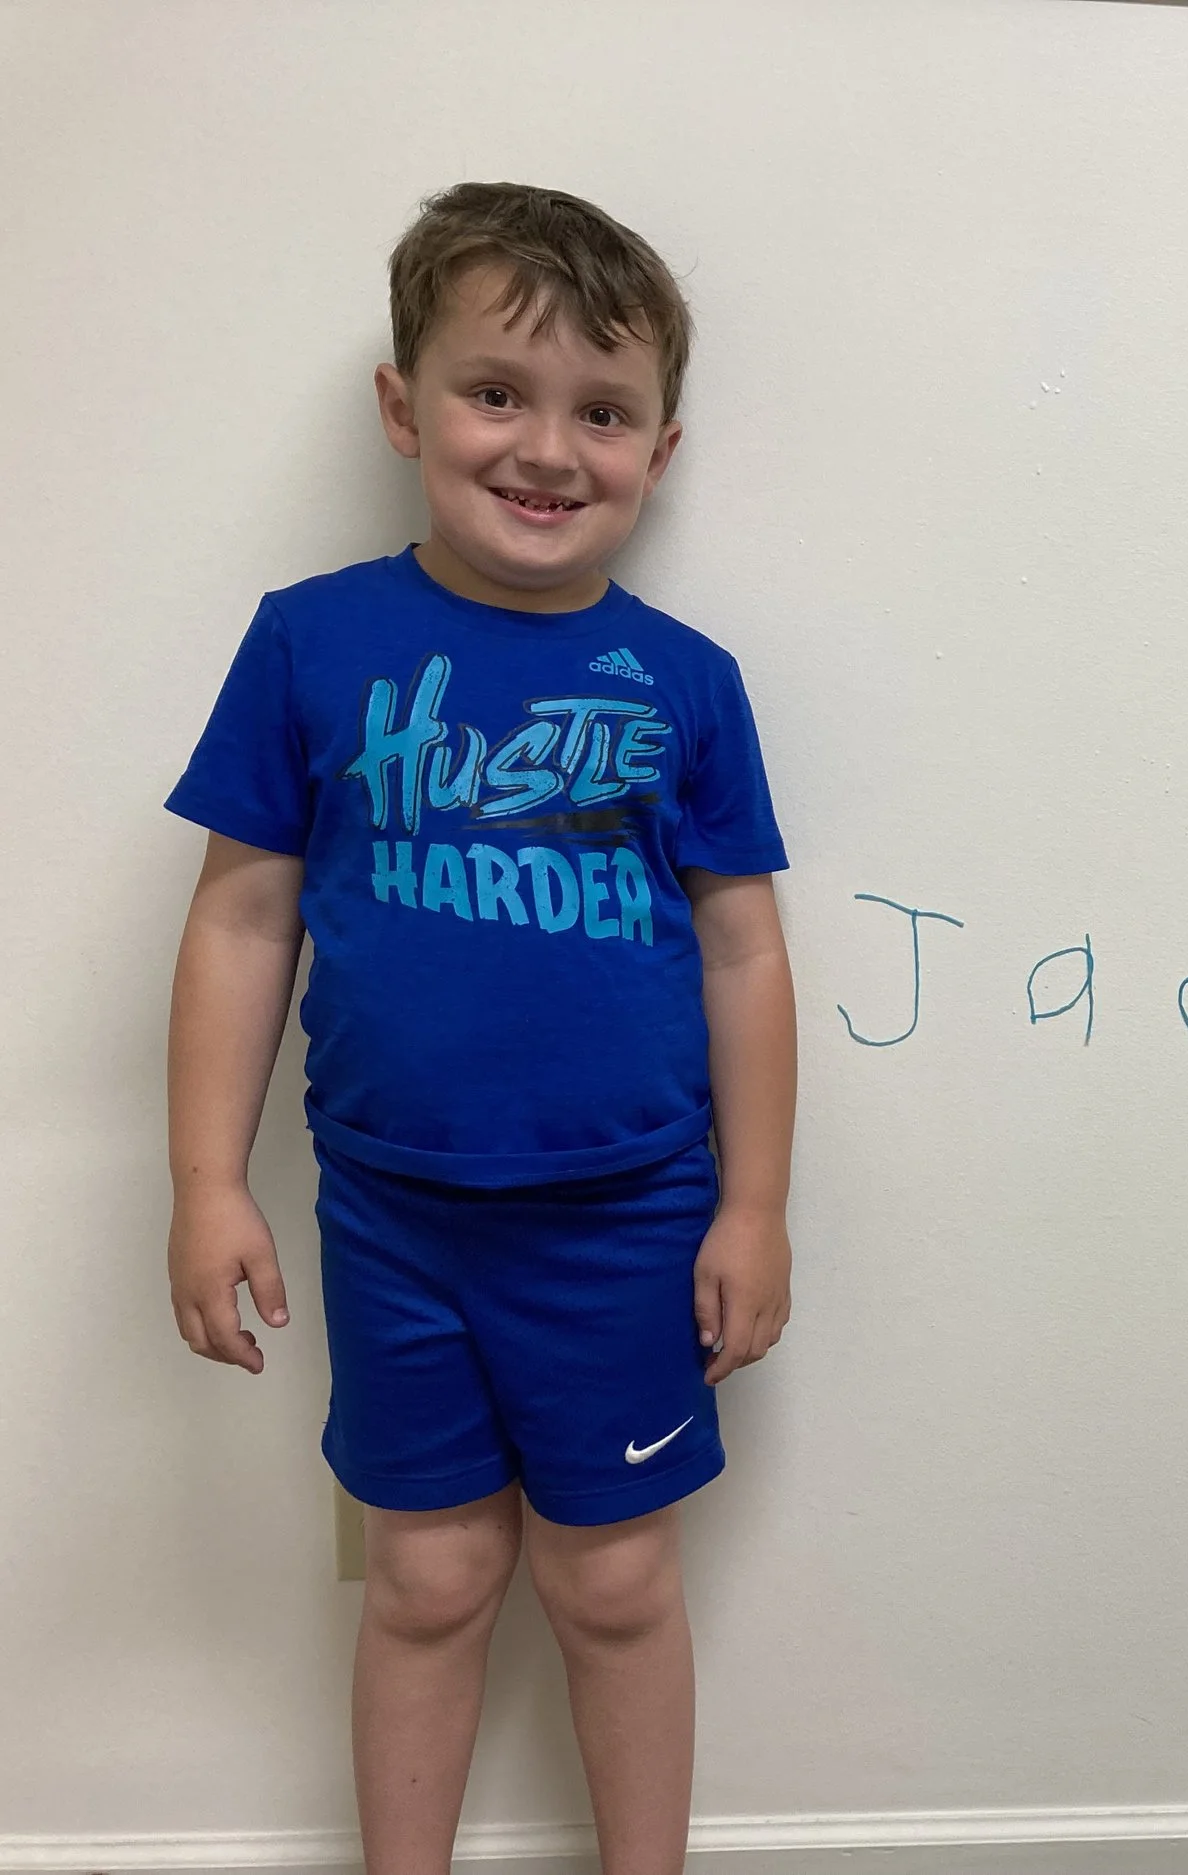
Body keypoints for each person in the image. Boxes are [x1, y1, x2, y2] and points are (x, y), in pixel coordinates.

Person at [162, 181, 795, 1875]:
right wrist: (207, 1179)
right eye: (496, 390)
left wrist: (754, 1204)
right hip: (390, 1215)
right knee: (430, 1578)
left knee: (611, 1579)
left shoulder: (688, 683)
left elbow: (744, 951)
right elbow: (238, 916)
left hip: (628, 1218)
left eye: (603, 410)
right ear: (402, 407)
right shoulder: (313, 643)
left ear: (660, 453)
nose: (547, 447)